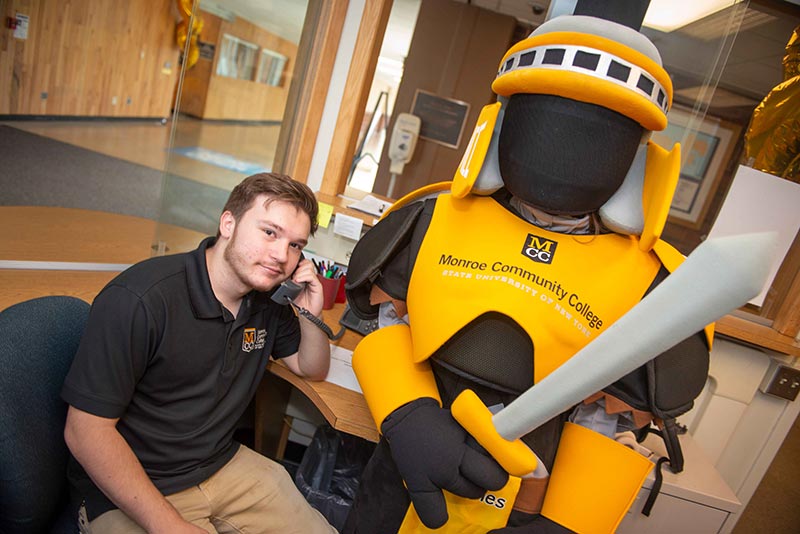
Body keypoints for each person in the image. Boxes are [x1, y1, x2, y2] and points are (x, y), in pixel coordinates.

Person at [342, 6, 716, 534]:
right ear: (507, 122)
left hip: (527, 500)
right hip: (407, 470)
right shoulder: (434, 220)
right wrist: (407, 415)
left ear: (633, 154)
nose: (568, 147)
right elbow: (391, 325)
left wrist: (571, 521)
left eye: (599, 132)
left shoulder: (651, 279)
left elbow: (612, 417)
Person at [61, 172, 338, 534]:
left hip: (218, 463)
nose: (281, 256)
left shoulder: (267, 300)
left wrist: (308, 315)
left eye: (296, 245)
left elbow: (310, 366)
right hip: (132, 482)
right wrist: (169, 525)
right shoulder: (141, 300)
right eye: (269, 232)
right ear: (228, 223)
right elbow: (85, 433)